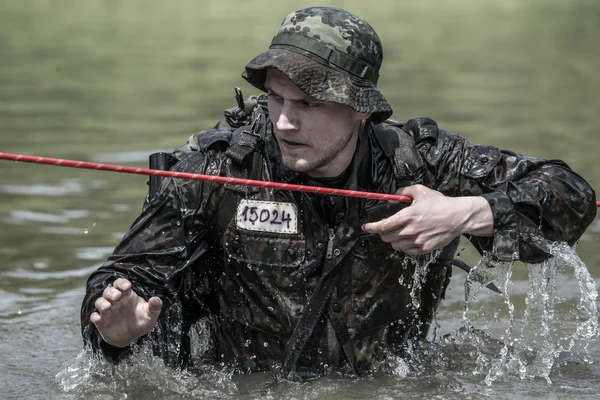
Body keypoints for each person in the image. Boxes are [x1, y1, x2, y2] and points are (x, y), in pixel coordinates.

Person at [80, 6, 597, 380]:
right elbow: (125, 276)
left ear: (362, 108)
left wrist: (466, 213)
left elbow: (572, 196)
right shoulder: (217, 168)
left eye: (306, 103)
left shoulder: (422, 163)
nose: (284, 121)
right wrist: (117, 332)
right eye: (276, 98)